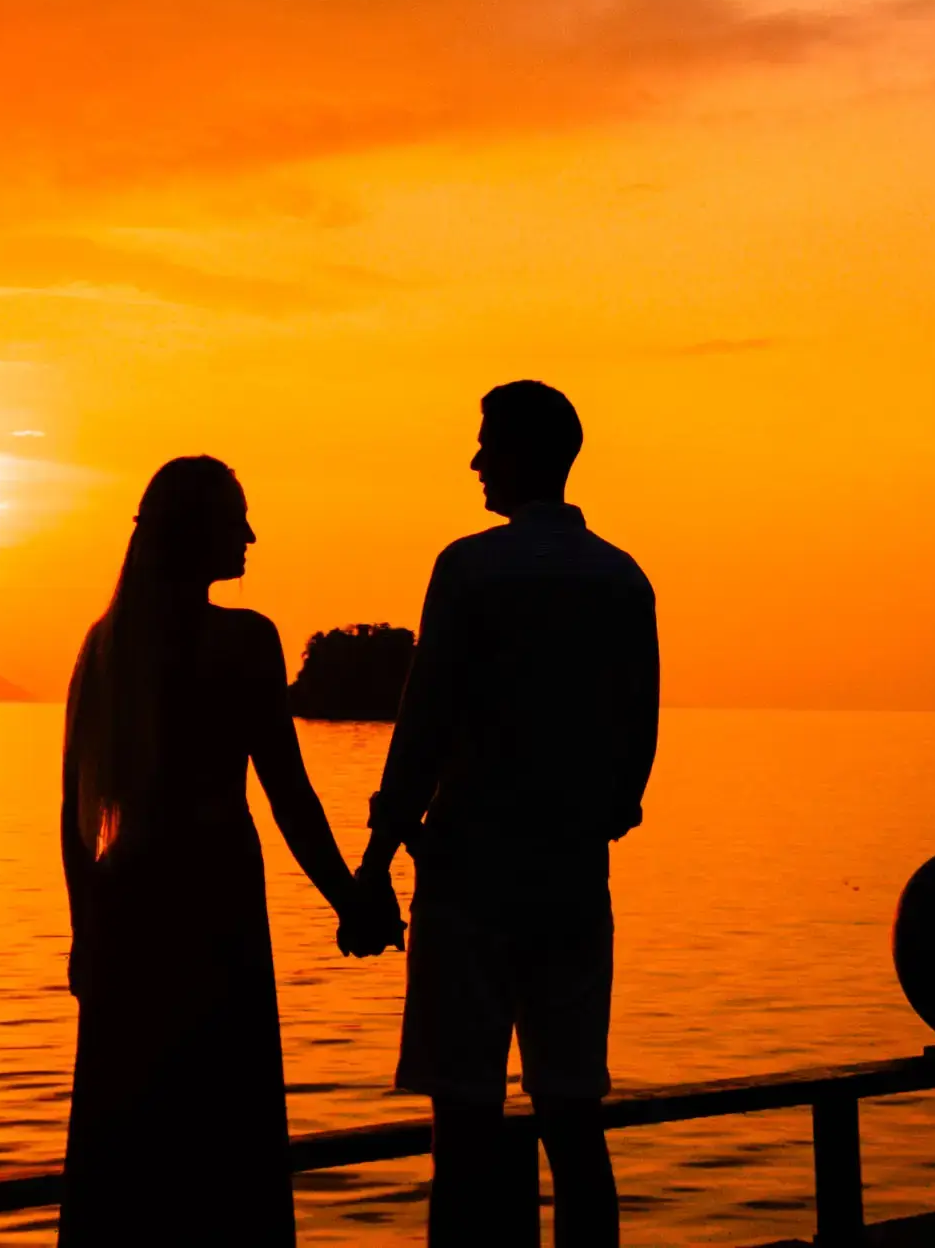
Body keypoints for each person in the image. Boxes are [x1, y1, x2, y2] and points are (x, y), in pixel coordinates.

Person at [350, 381, 660, 1248]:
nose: (476, 460)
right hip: (569, 879)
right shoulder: (622, 578)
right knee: (573, 1116)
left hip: (467, 881)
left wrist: (376, 863)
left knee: (465, 1127)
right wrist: (593, 814)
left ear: (523, 453)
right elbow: (637, 745)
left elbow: (424, 725)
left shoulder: (469, 569)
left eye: (487, 442)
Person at [59, 455, 390, 1247]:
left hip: (128, 903)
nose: (250, 534)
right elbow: (289, 796)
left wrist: (85, 933)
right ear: (198, 531)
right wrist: (350, 898)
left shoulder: (107, 644)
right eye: (236, 518)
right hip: (214, 901)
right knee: (224, 1128)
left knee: (130, 1132)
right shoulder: (245, 639)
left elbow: (72, 820)